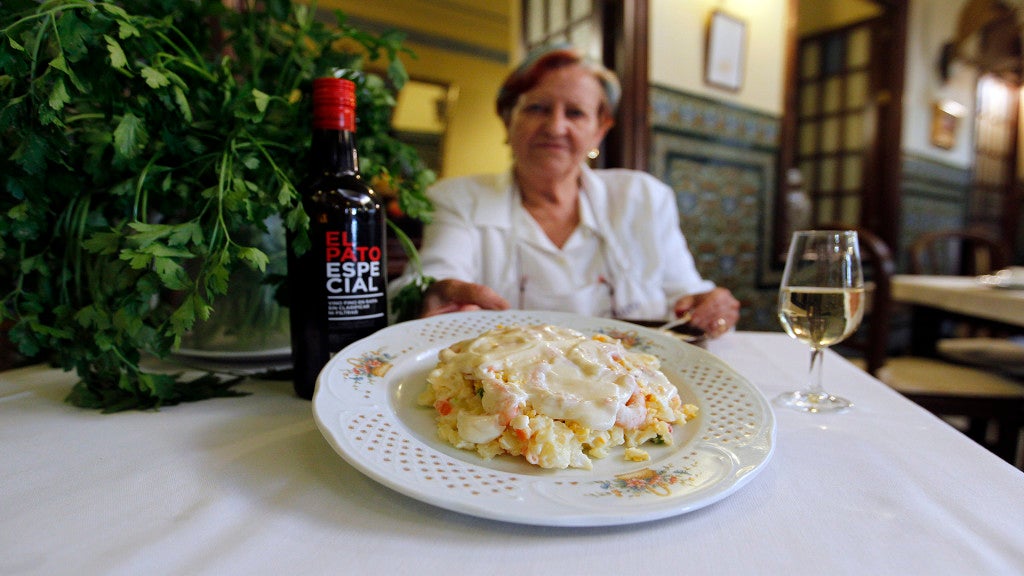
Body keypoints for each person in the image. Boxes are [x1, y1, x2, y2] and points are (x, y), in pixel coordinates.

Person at [391, 43, 740, 337]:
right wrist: (435, 295)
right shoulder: (458, 199)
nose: (555, 127)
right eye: (537, 108)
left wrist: (708, 304)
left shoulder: (644, 198)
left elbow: (686, 295)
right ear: (508, 119)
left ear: (599, 130)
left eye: (575, 113)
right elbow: (428, 284)